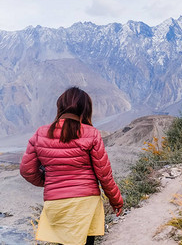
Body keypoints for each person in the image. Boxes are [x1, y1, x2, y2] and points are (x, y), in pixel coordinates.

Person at [20, 87, 123, 245]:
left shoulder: (40, 133)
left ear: (60, 106)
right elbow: (104, 174)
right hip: (86, 203)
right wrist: (116, 201)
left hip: (56, 203)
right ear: (85, 109)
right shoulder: (91, 133)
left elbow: (27, 171)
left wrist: (51, 182)